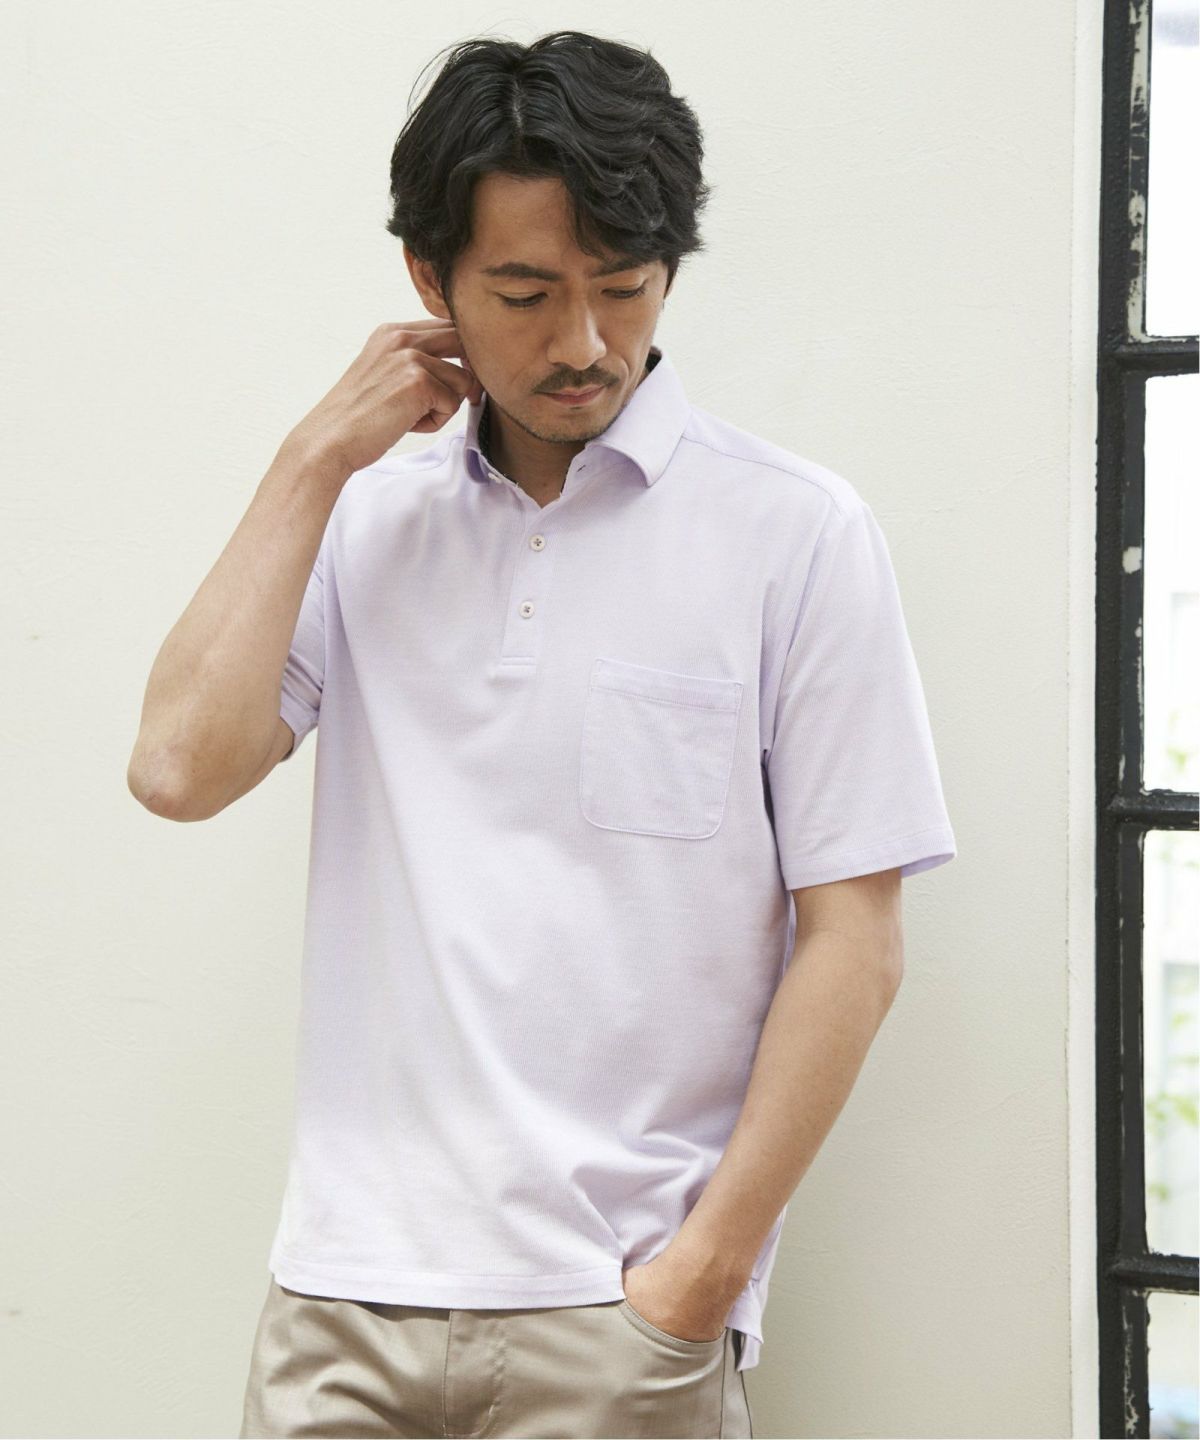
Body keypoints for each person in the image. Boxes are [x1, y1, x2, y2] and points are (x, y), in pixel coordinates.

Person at [127, 28, 957, 1440]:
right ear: (429, 281)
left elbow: (856, 939)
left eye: (623, 286)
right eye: (523, 293)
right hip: (341, 1302)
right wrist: (315, 457)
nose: (582, 343)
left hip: (618, 1317)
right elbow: (175, 771)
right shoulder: (365, 518)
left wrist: (702, 1276)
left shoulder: (796, 534)